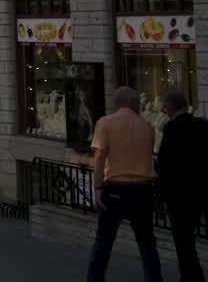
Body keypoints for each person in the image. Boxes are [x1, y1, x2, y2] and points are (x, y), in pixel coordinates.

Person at [88, 86, 162, 282]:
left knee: (104, 240)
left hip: (115, 188)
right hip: (143, 190)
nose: (140, 105)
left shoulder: (105, 123)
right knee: (147, 244)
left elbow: (100, 158)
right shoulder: (148, 127)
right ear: (131, 103)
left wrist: (98, 188)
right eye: (138, 101)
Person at [156, 90, 206, 282]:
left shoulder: (171, 129)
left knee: (184, 242)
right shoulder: (203, 125)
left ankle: (192, 277)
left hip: (180, 195)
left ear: (169, 108)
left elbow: (164, 163)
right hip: (203, 190)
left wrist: (162, 191)